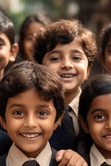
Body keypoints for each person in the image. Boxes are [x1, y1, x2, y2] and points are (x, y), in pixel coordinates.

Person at [34, 19, 97, 151]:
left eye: (76, 58)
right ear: (40, 67)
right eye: (55, 58)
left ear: (89, 69)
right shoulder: (33, 112)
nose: (67, 64)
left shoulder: (98, 107)